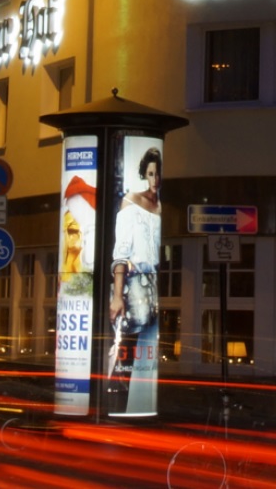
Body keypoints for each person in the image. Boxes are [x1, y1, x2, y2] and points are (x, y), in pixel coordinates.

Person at [107, 145, 163, 414]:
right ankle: (114, 404)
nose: (155, 180)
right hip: (133, 285)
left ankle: (133, 408)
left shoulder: (160, 205)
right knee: (124, 350)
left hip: (151, 287)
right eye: (151, 174)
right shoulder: (131, 201)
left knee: (144, 353)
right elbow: (121, 251)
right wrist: (118, 296)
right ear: (144, 174)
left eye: (158, 174)